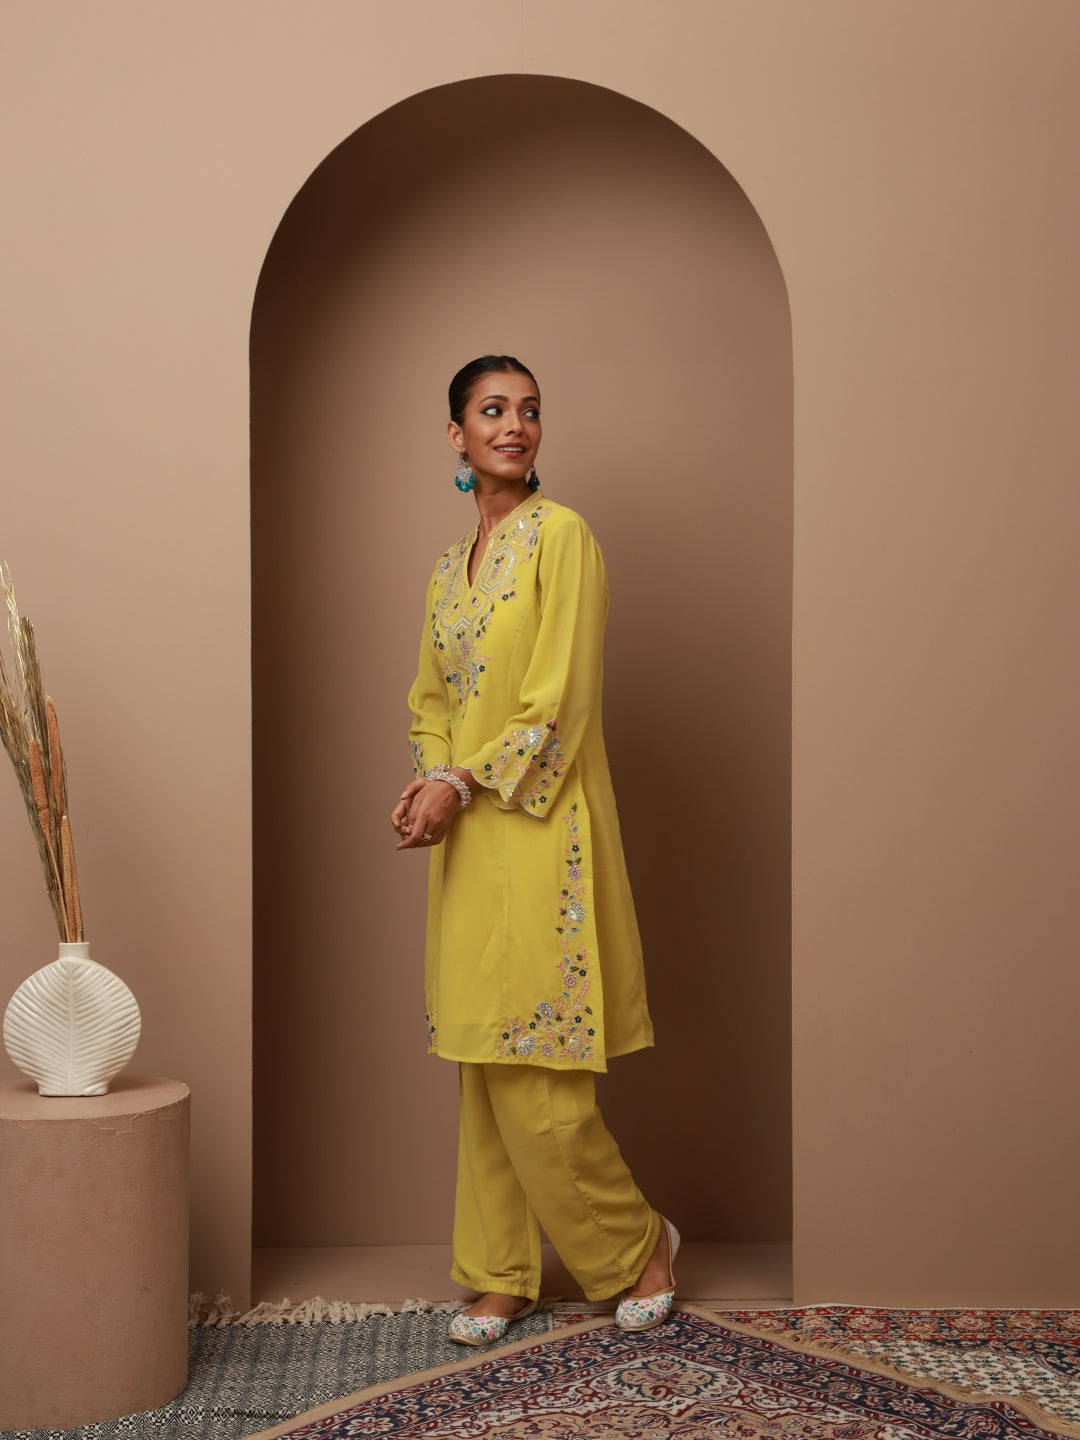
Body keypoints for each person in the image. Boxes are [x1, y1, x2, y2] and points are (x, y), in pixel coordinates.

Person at [390, 355, 677, 1346]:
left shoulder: (564, 538)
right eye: (492, 410)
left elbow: (560, 697)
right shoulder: (446, 570)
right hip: (468, 837)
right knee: (482, 1057)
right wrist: (430, 779)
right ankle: (500, 1272)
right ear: (457, 435)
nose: (514, 425)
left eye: (529, 411)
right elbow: (430, 698)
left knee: (539, 1068)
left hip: (544, 827)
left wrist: (463, 780)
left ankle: (639, 1245)